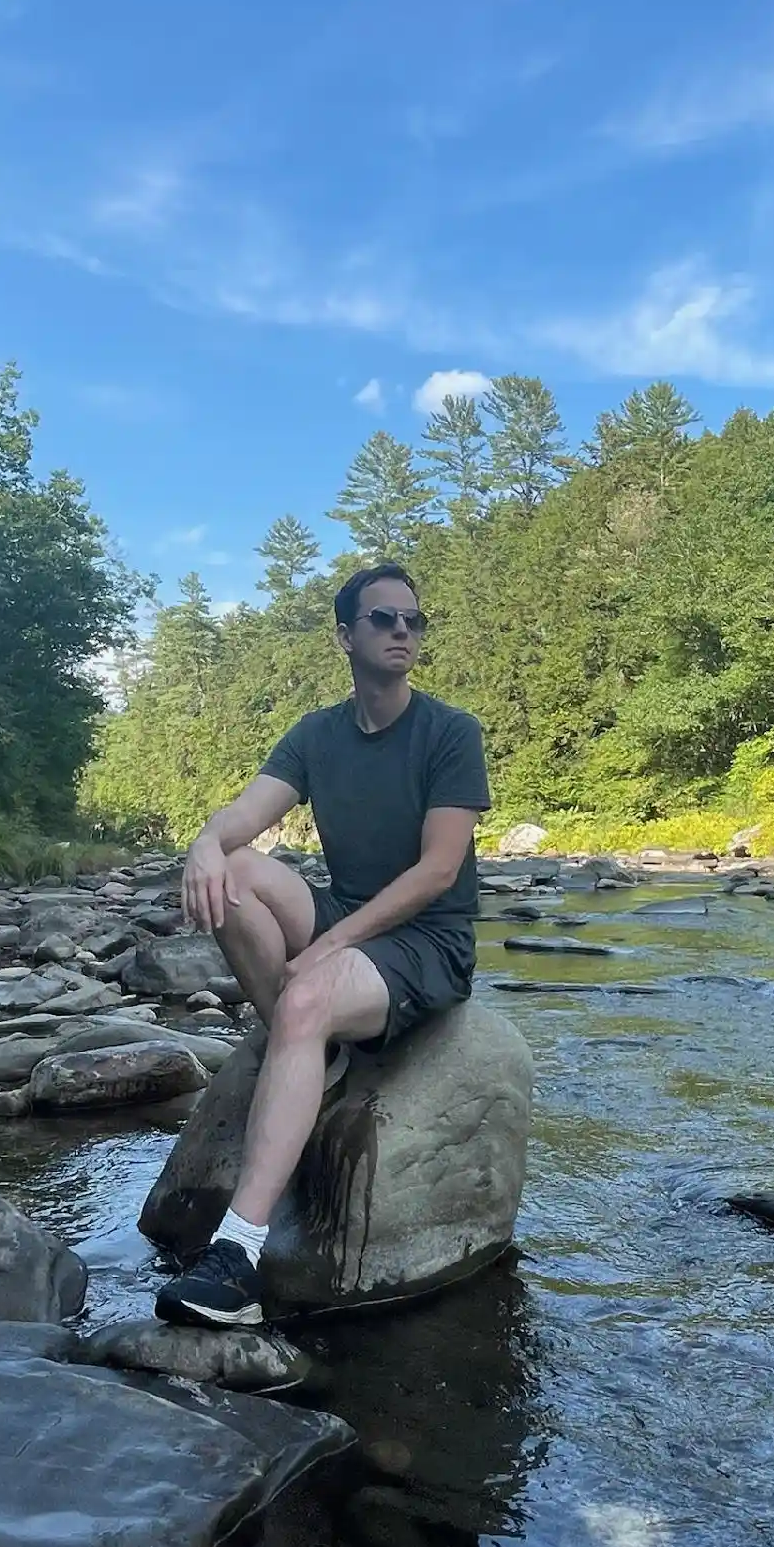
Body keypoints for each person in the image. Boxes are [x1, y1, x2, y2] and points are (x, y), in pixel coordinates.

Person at [154, 562, 491, 1328]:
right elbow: (246, 816)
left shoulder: (450, 732)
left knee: (308, 994)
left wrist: (330, 946)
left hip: (427, 942)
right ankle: (306, 1044)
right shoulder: (317, 734)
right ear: (346, 635)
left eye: (414, 619)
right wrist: (206, 844)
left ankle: (236, 1255)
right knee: (236, 874)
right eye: (384, 619)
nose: (404, 630)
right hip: (349, 915)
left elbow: (439, 871)